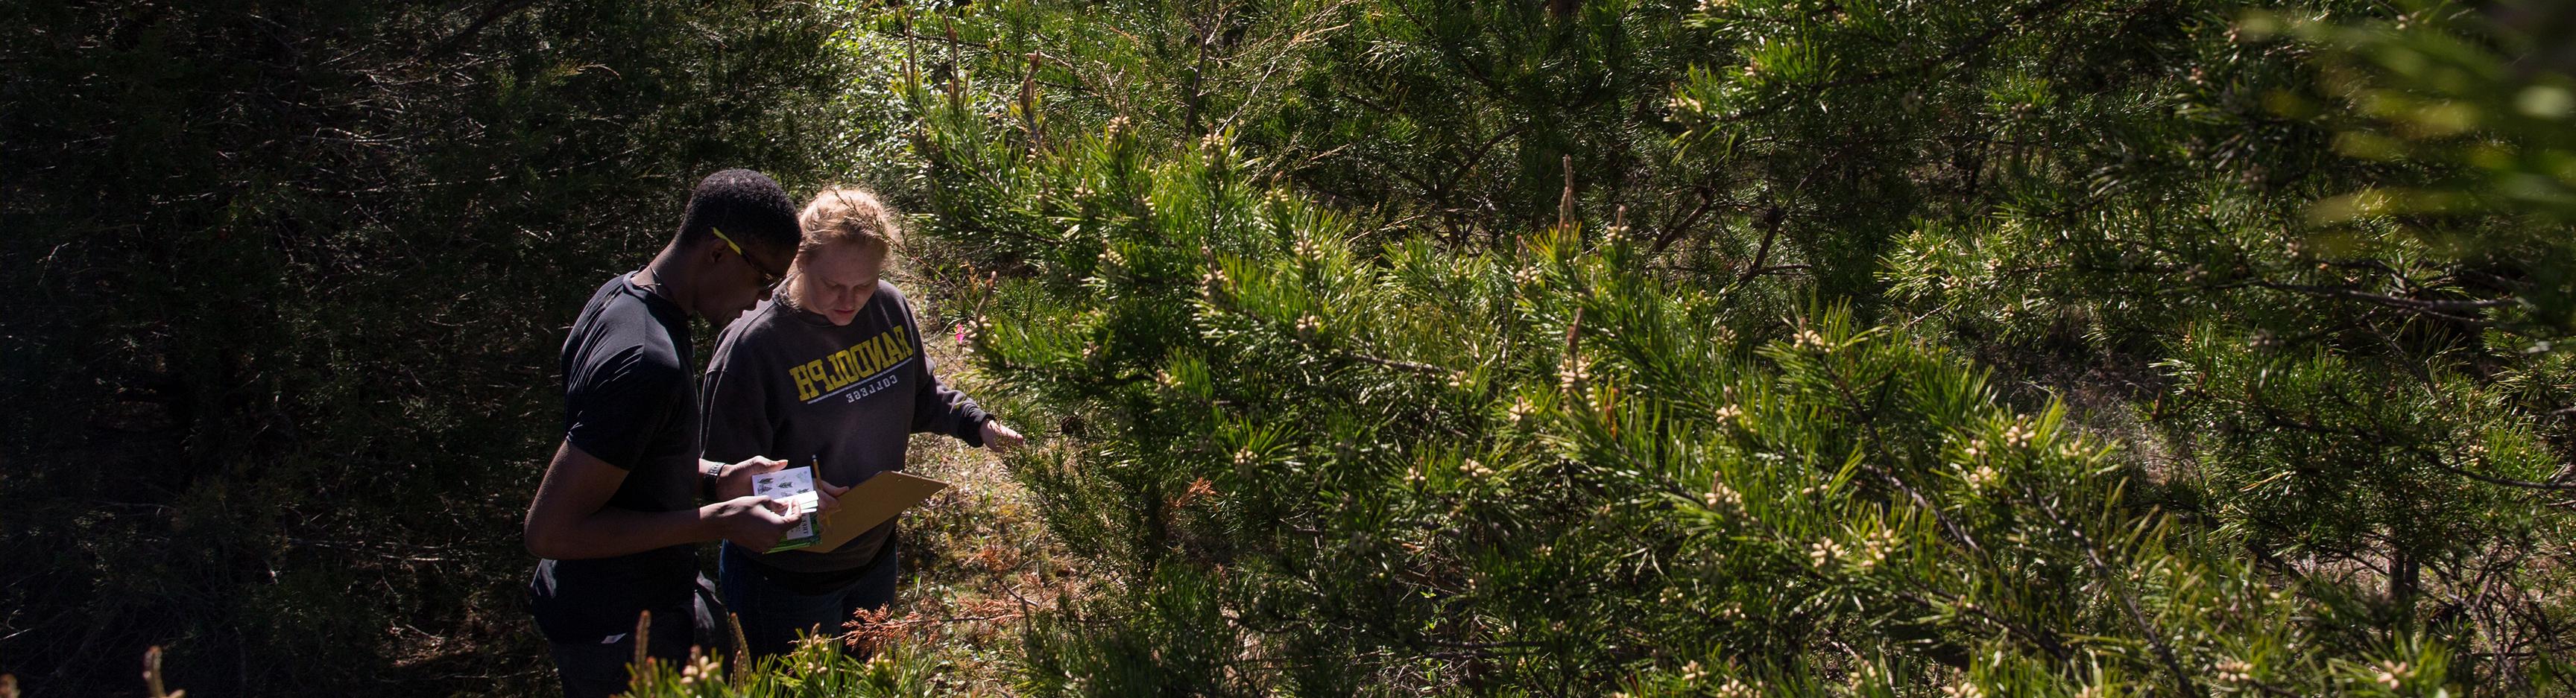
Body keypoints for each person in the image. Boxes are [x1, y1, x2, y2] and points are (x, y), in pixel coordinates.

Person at [521, 168, 849, 698]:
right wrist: (721, 520)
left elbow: (628, 462)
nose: (762, 300)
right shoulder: (647, 363)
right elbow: (550, 530)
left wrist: (721, 479)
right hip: (619, 635)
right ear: (718, 253)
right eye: (762, 278)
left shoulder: (620, 300)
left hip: (641, 606)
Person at [700, 186, 1023, 659]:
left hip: (873, 558)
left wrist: (978, 424)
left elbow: (919, 395)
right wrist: (795, 490)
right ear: (800, 260)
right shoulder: (754, 346)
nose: (850, 301)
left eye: (864, 284)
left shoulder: (887, 308)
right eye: (834, 285)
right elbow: (721, 476)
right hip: (786, 581)